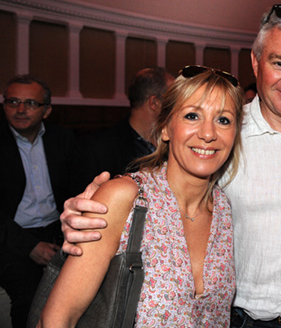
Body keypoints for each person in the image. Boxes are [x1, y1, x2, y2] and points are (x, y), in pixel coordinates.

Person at [59, 4, 281, 328]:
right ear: (255, 62)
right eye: (280, 63)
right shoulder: (223, 131)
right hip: (241, 320)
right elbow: (158, 187)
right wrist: (93, 213)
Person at [40, 66, 243, 327]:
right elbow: (58, 318)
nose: (208, 133)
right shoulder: (124, 197)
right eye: (192, 116)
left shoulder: (224, 208)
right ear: (166, 128)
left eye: (223, 120)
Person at [0, 75, 74, 328]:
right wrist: (29, 246)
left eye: (31, 103)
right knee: (31, 298)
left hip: (58, 228)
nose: (21, 110)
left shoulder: (63, 139)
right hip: (10, 236)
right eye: (13, 101)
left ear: (47, 110)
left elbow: (76, 190)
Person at [69, 67, 174, 194]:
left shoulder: (174, 142)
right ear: (154, 103)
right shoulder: (96, 149)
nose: (178, 105)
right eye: (173, 99)